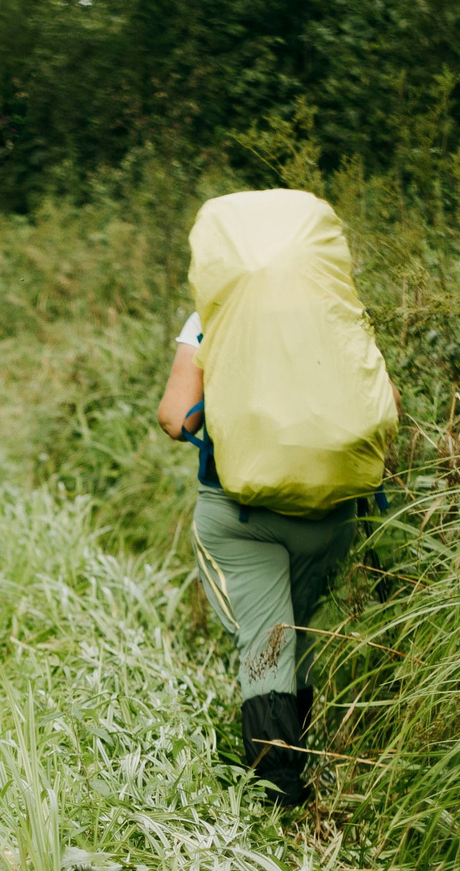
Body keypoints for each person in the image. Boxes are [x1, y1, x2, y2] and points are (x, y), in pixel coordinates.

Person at [157, 309, 362, 810]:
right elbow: (386, 406)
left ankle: (279, 791)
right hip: (329, 513)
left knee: (267, 638)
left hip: (241, 512)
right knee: (300, 625)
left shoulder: (213, 309)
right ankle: (306, 757)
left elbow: (176, 416)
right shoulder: (334, 303)